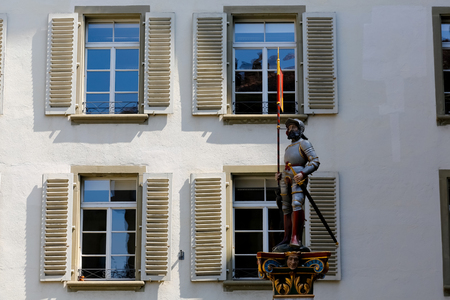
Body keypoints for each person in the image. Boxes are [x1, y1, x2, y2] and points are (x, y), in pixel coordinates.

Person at [274, 118, 320, 251]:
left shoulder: (304, 143)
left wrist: (303, 173)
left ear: (300, 130)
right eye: (289, 128)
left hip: (297, 176)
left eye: (293, 127)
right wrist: (279, 176)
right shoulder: (288, 148)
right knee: (286, 207)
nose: (290, 130)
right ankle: (286, 238)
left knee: (296, 204)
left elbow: (315, 162)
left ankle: (296, 237)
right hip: (286, 178)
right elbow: (287, 165)